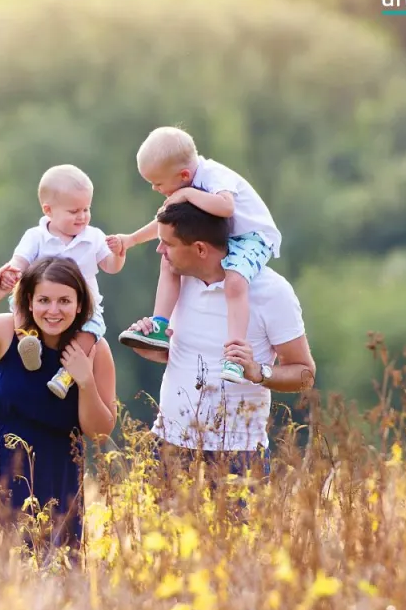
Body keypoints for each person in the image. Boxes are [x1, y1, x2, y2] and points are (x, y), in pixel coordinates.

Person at [0, 256, 118, 550]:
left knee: (49, 575)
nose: (54, 311)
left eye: (65, 301)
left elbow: (101, 433)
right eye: (44, 300)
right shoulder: (7, 332)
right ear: (28, 301)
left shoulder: (94, 349)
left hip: (55, 476)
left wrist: (86, 381)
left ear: (80, 305)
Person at [123, 199, 314, 481]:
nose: (159, 250)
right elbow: (181, 357)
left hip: (239, 455)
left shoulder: (271, 291)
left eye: (168, 243)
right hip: (167, 447)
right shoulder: (177, 282)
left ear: (200, 248)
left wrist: (258, 372)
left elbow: (304, 373)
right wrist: (149, 345)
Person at [107, 126, 282, 384]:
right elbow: (165, 223)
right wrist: (131, 240)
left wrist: (187, 194)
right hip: (221, 237)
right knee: (168, 260)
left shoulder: (213, 177)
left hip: (251, 238)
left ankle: (234, 354)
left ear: (184, 175)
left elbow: (226, 207)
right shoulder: (187, 184)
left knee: (235, 281)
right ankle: (159, 326)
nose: (155, 189)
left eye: (157, 183)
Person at [4, 164, 125, 400]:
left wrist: (119, 254)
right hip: (40, 301)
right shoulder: (36, 236)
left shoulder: (94, 237)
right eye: (73, 211)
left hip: (83, 306)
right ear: (48, 210)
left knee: (91, 332)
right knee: (17, 302)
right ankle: (28, 342)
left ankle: (66, 375)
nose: (82, 217)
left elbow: (110, 267)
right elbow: (19, 260)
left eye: (86, 209)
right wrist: (12, 271)